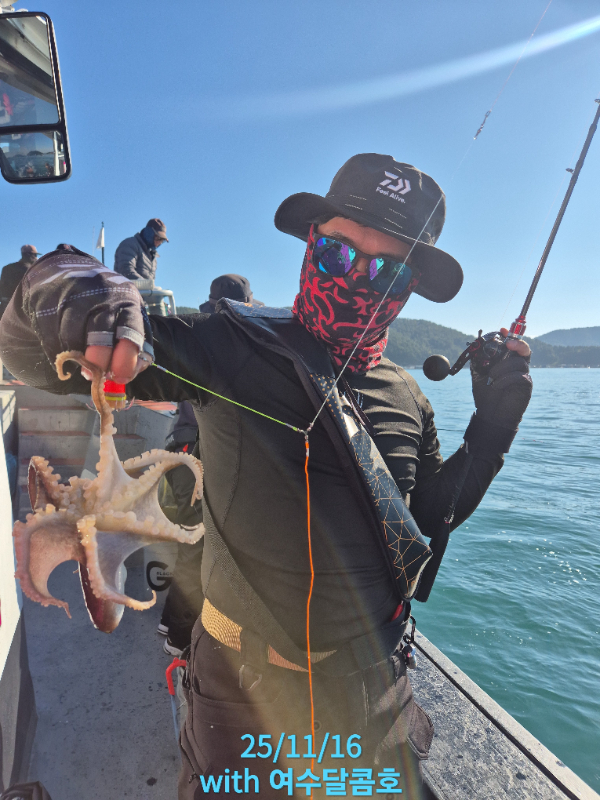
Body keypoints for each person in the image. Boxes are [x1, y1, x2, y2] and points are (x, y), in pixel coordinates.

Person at [0, 153, 532, 799]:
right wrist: (67, 284)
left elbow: (421, 523)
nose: (356, 279)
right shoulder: (229, 344)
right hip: (241, 693)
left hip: (375, 690)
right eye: (338, 253)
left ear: (409, 286)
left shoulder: (407, 395)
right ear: (311, 244)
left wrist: (492, 430)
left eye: (387, 269)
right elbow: (30, 356)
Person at [160, 274, 263, 656]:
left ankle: (170, 621)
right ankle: (178, 638)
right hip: (199, 458)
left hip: (182, 452)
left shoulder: (199, 335)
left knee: (193, 542)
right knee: (199, 545)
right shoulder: (232, 343)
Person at [113, 218, 168, 282]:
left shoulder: (153, 257)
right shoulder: (130, 244)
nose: (159, 242)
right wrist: (145, 284)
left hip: (143, 289)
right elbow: (125, 270)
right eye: (158, 238)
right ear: (149, 233)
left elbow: (150, 282)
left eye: (162, 240)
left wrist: (149, 286)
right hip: (126, 288)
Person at [0, 245, 39, 318]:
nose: (37, 258)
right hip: (22, 310)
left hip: (5, 309)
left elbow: (1, 287)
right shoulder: (31, 270)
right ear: (29, 255)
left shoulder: (7, 268)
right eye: (35, 255)